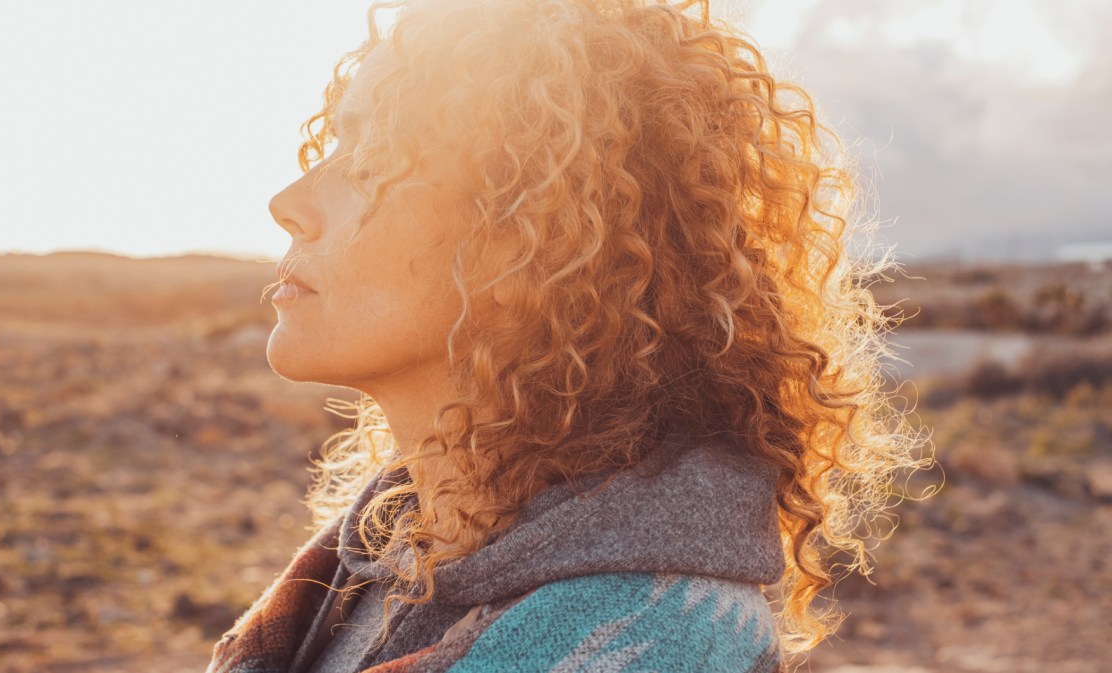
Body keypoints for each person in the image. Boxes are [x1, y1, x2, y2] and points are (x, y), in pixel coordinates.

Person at [209, 1, 927, 671]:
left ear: (530, 231)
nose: (289, 204)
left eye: (372, 159)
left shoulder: (660, 646)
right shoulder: (361, 571)